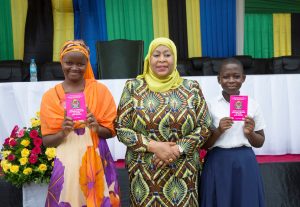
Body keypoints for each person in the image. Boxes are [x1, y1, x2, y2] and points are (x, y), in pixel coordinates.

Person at [115, 37, 211, 206]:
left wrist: (178, 149)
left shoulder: (191, 87)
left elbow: (204, 126)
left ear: (174, 58)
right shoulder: (133, 87)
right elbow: (122, 128)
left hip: (183, 171)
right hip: (144, 172)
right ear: (148, 59)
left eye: (167, 55)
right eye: (156, 55)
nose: (161, 60)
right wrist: (154, 146)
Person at [40, 40, 120, 207]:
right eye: (69, 63)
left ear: (87, 64)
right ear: (61, 62)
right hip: (67, 161)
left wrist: (97, 127)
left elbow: (112, 131)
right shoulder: (51, 96)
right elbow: (47, 141)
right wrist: (63, 131)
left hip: (98, 158)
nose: (74, 68)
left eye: (80, 64)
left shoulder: (99, 91)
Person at [200, 58, 266, 207]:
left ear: (243, 78)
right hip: (218, 160)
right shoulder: (210, 106)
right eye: (226, 76)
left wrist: (250, 133)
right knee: (219, 200)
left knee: (245, 200)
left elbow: (260, 141)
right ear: (218, 79)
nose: (231, 80)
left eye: (236, 76)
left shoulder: (252, 105)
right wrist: (219, 131)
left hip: (245, 161)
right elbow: (204, 144)